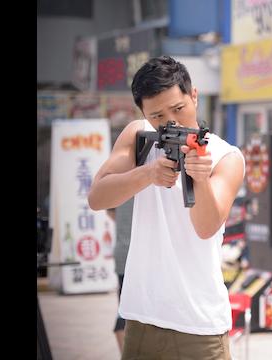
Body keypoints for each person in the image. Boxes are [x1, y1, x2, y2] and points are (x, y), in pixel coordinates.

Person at [88, 56, 245, 360]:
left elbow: (206, 227)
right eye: (157, 116)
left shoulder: (226, 156)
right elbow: (97, 198)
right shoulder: (138, 136)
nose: (171, 122)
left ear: (194, 96)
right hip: (143, 315)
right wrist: (147, 173)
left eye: (178, 109)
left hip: (199, 323)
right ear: (144, 114)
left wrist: (199, 177)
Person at [106, 197, 134, 351]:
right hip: (137, 255)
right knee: (127, 314)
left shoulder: (121, 176)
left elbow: (110, 211)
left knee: (125, 310)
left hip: (123, 251)